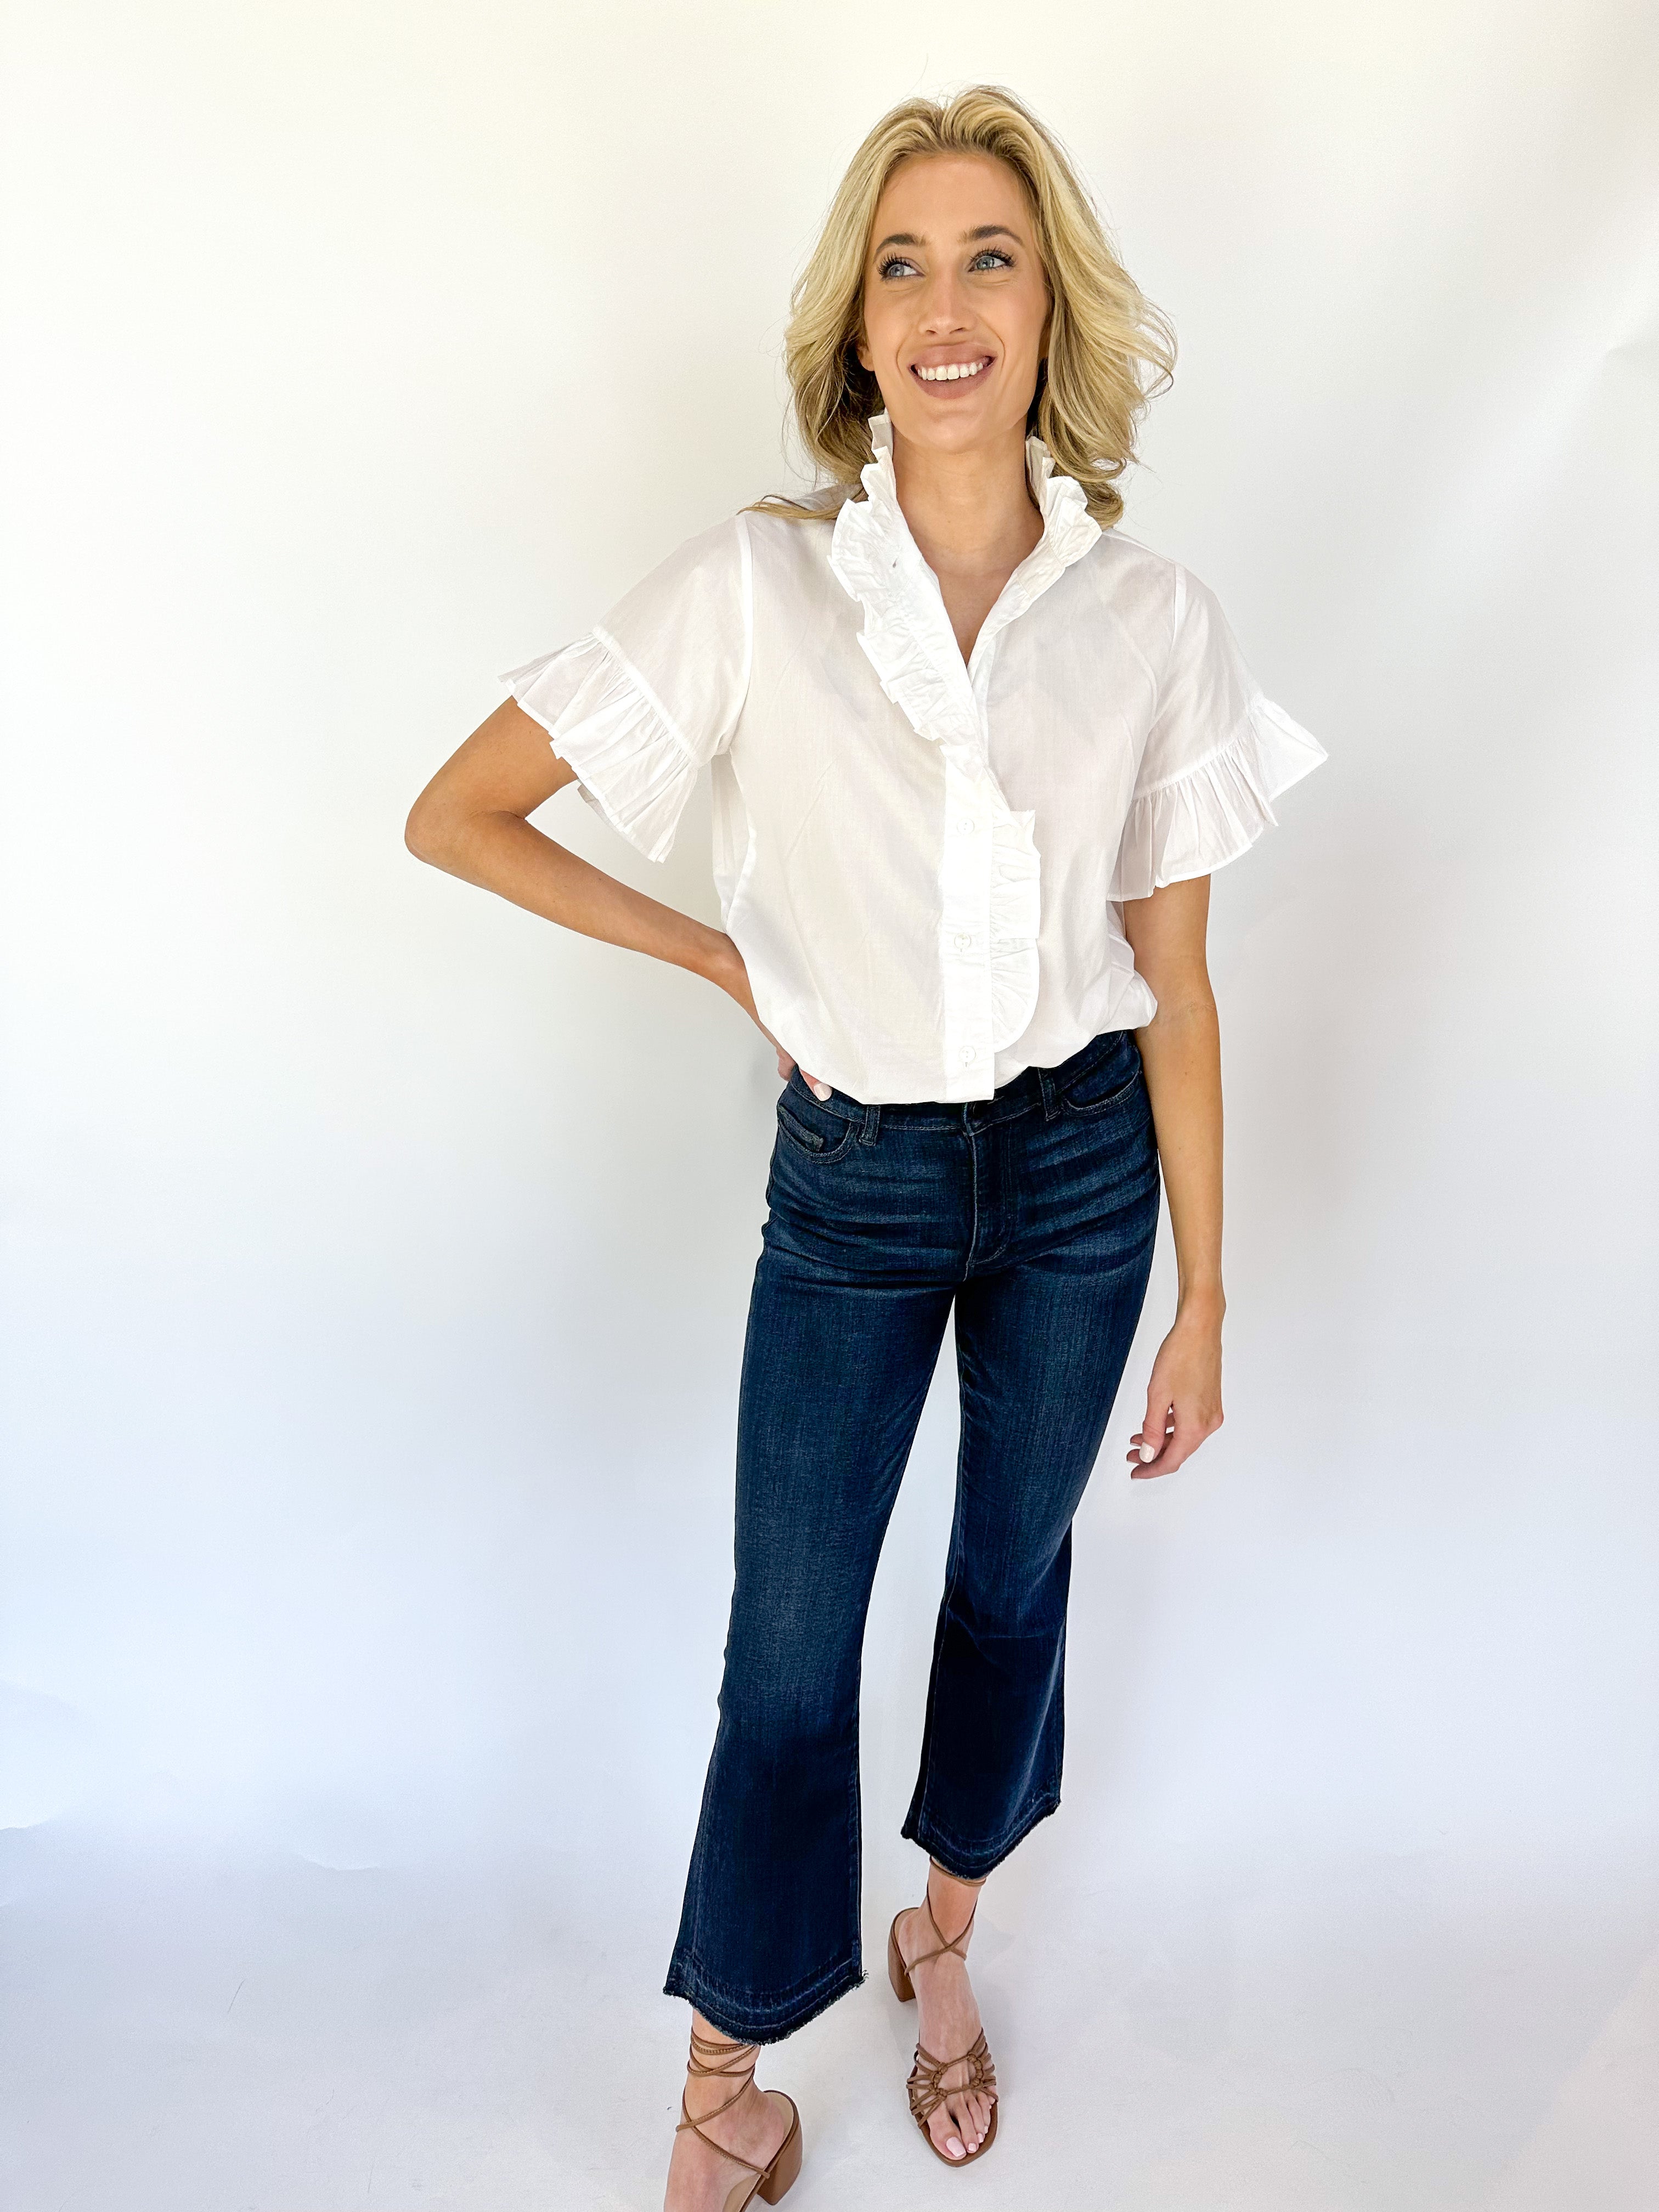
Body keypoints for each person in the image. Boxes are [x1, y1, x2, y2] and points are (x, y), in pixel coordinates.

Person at [406, 82, 1323, 2211]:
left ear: (1049, 304)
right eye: (901, 266)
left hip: (1084, 1178)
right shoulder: (755, 588)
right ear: (854, 327)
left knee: (1011, 1585)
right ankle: (723, 2079)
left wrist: (1209, 1294)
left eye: (988, 257)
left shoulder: (1155, 619)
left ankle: (945, 1941)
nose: (943, 305)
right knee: (790, 1646)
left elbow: (1179, 986)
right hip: (856, 1185)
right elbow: (461, 815)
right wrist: (726, 958)